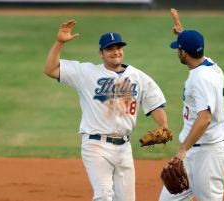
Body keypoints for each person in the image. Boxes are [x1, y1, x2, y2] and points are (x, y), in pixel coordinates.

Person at [44, 19, 168, 201]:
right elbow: (50, 69)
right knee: (103, 196)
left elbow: (155, 103)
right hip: (96, 145)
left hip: (124, 147)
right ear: (101, 53)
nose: (115, 52)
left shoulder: (139, 77)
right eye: (110, 49)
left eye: (118, 48)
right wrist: (60, 43)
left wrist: (163, 124)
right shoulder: (86, 73)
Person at [159, 9, 224, 201]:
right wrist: (182, 34)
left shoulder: (201, 79)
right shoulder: (210, 64)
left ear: (184, 52)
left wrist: (182, 150)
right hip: (194, 153)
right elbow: (193, 46)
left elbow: (205, 118)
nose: (177, 52)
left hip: (208, 155)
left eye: (178, 48)